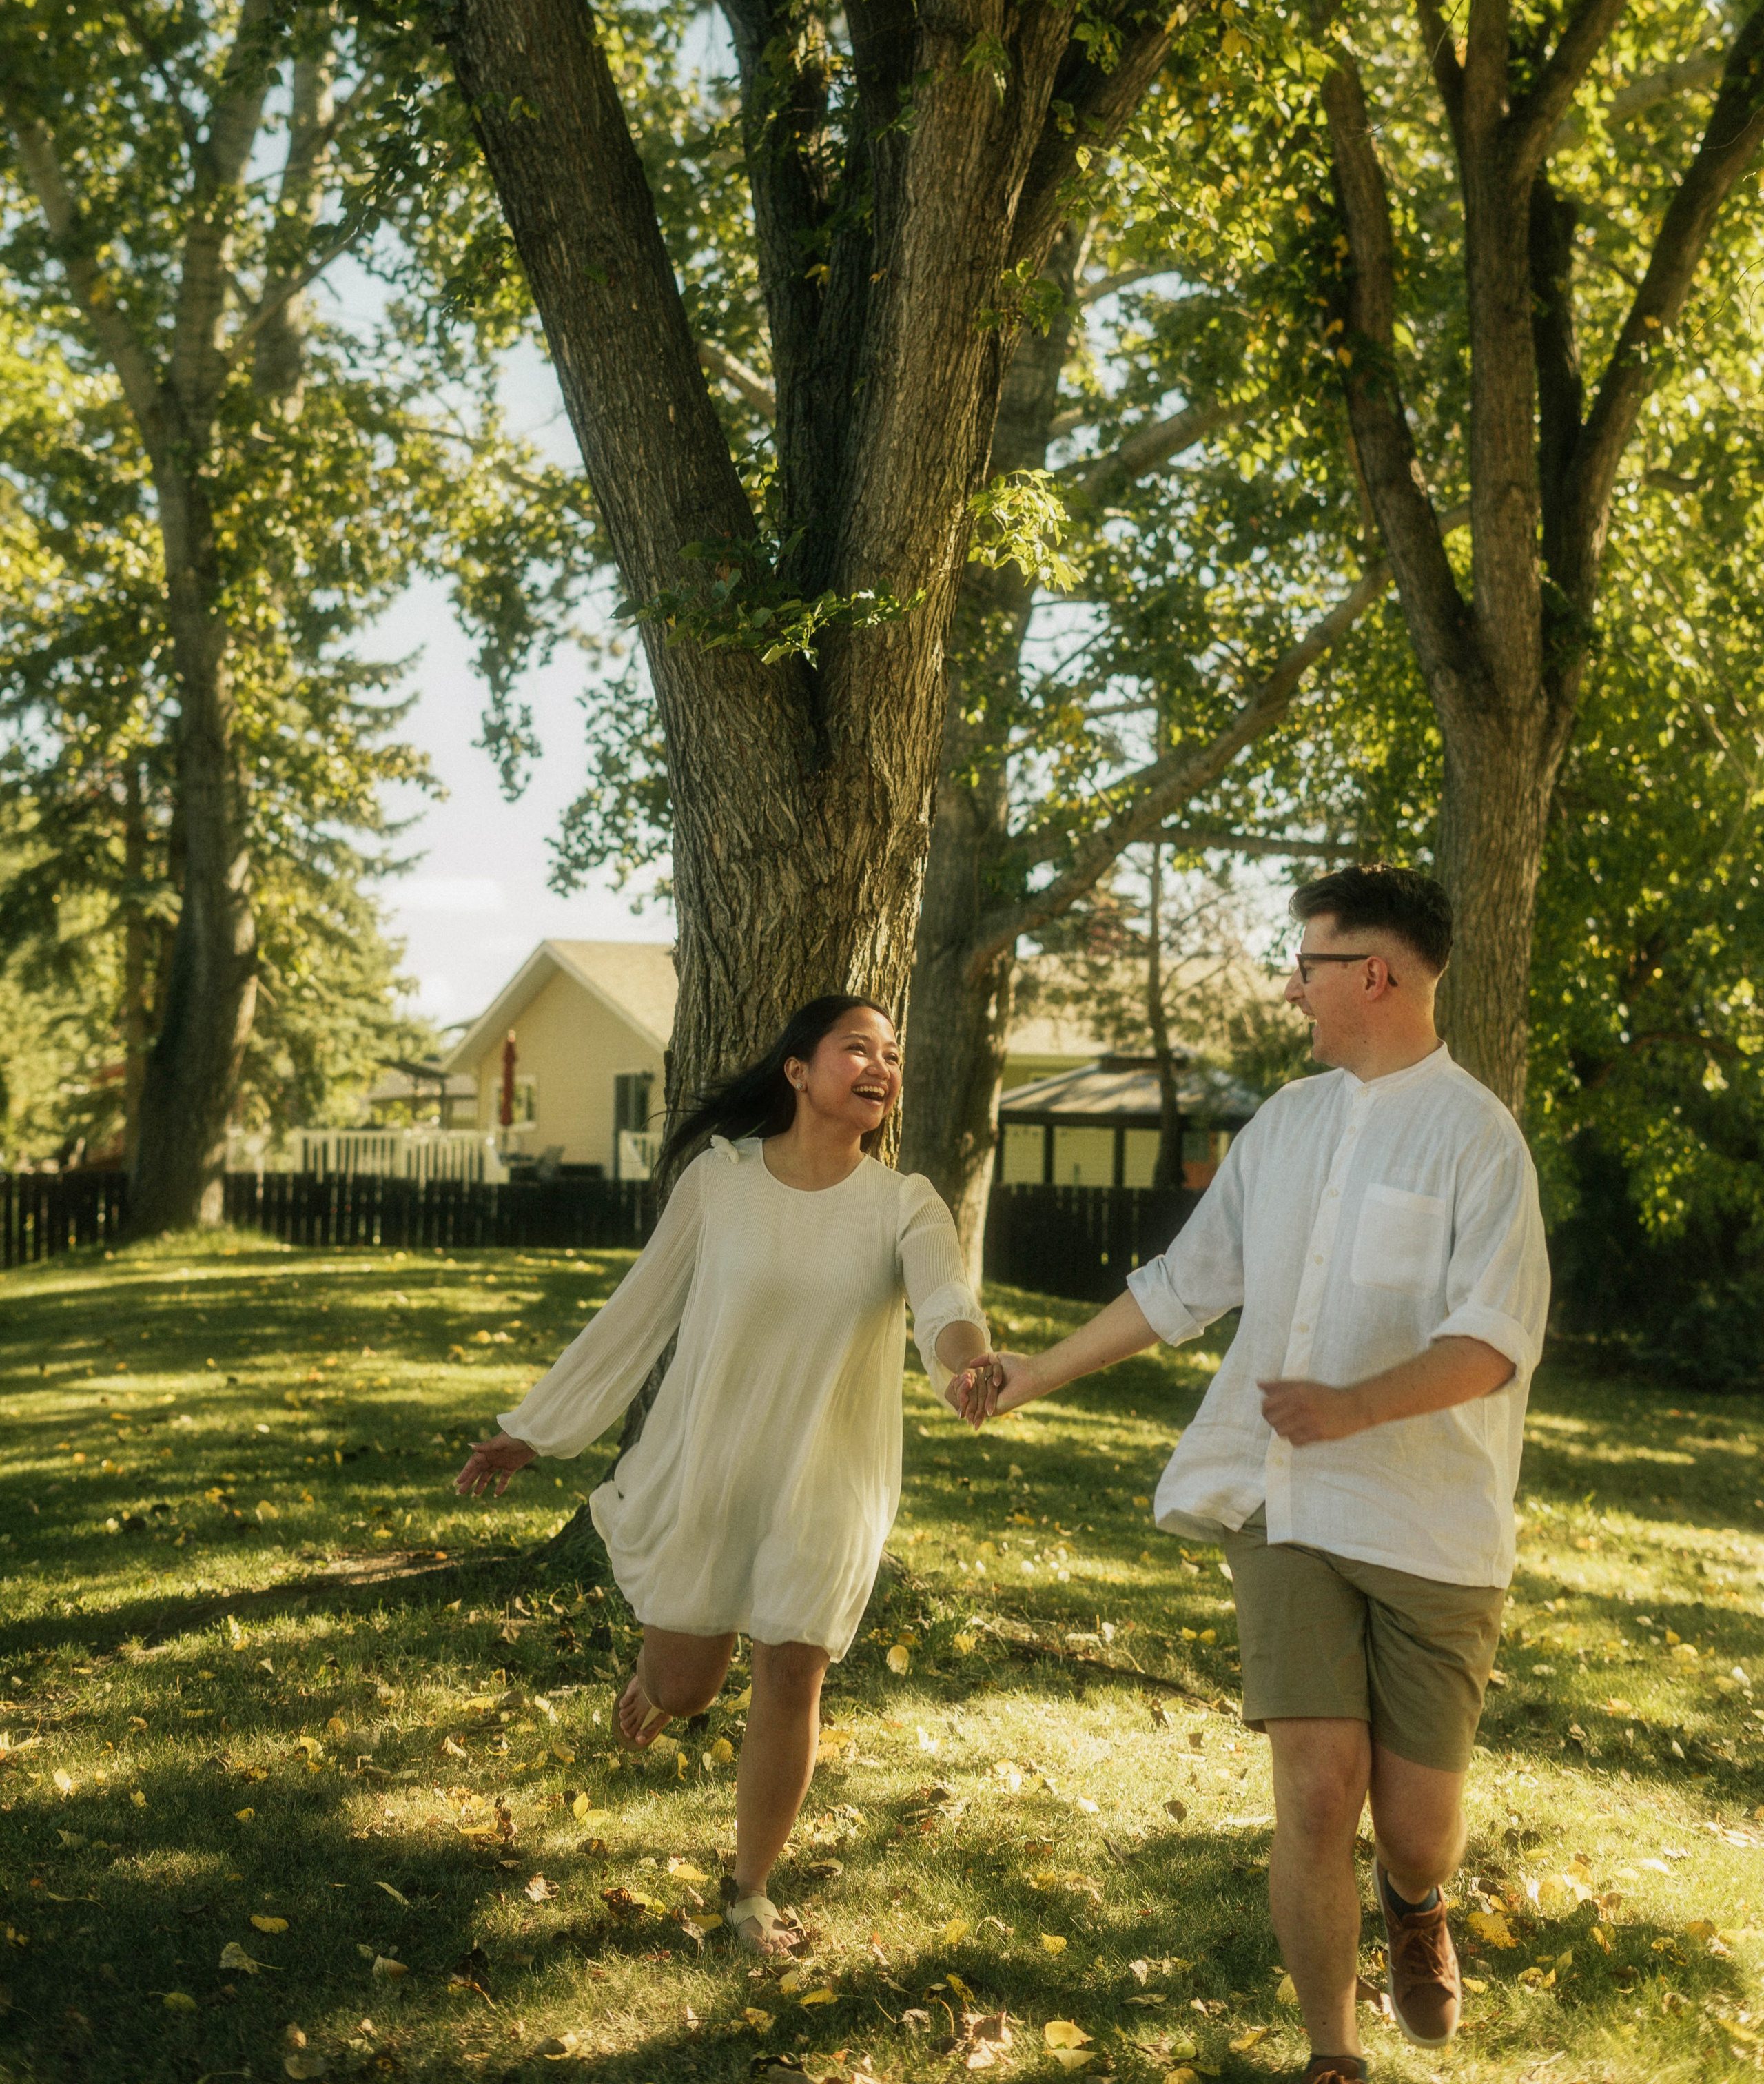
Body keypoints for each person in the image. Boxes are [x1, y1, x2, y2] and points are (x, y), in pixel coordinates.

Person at [969, 867, 1548, 2084]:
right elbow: (1183, 1286)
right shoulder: (1283, 1125)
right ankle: (1333, 2055)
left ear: (1372, 975)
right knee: (1318, 1790)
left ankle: (1415, 1898)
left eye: (1307, 966)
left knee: (1415, 1827)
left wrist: (1353, 1404)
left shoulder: (1477, 1139)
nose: (1292, 991)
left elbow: (1493, 1343)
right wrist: (1035, 1373)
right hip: (1283, 1499)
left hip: (1433, 1524)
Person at [455, 994, 1001, 1955]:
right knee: (688, 1687)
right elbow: (637, 1312)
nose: (881, 1068)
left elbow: (946, 1304)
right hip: (710, 1461)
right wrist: (537, 1432)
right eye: (857, 1049)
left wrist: (968, 1364)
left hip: (830, 1478)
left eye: (892, 1054)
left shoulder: (904, 1201)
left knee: (792, 1672)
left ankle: (749, 1893)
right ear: (797, 1069)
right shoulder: (720, 1181)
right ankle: (659, 1681)